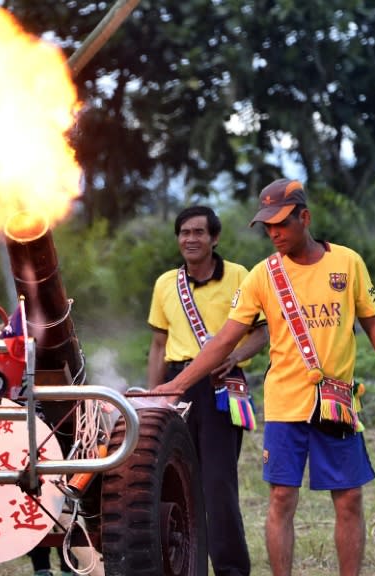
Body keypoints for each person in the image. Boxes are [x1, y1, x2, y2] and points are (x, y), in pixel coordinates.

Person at [155, 178, 375, 576]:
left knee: (349, 498)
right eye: (268, 226)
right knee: (281, 497)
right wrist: (176, 384)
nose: (274, 233)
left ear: (305, 217)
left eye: (282, 223)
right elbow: (225, 339)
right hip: (284, 404)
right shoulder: (262, 276)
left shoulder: (347, 263)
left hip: (335, 401)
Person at [147, 205, 269, 576]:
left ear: (214, 238)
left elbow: (263, 332)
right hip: (175, 385)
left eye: (199, 232)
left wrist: (235, 356)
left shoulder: (240, 276)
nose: (191, 239)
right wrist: (153, 397)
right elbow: (157, 344)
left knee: (217, 484)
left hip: (220, 386)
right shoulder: (166, 283)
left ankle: (231, 570)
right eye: (184, 232)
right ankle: (182, 566)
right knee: (172, 480)